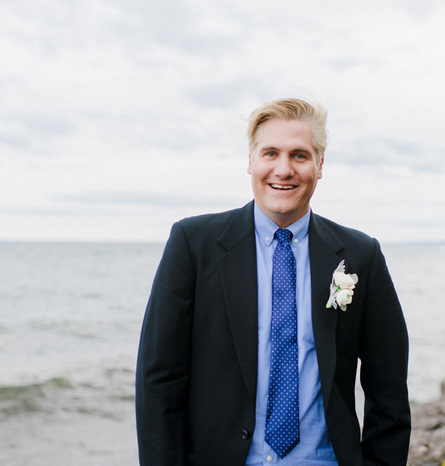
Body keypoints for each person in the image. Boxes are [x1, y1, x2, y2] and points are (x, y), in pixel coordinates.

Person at [135, 98, 410, 465]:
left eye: (299, 155)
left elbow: (388, 387)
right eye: (270, 154)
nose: (284, 170)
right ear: (251, 161)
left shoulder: (361, 255)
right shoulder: (193, 244)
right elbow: (159, 380)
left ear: (319, 165)